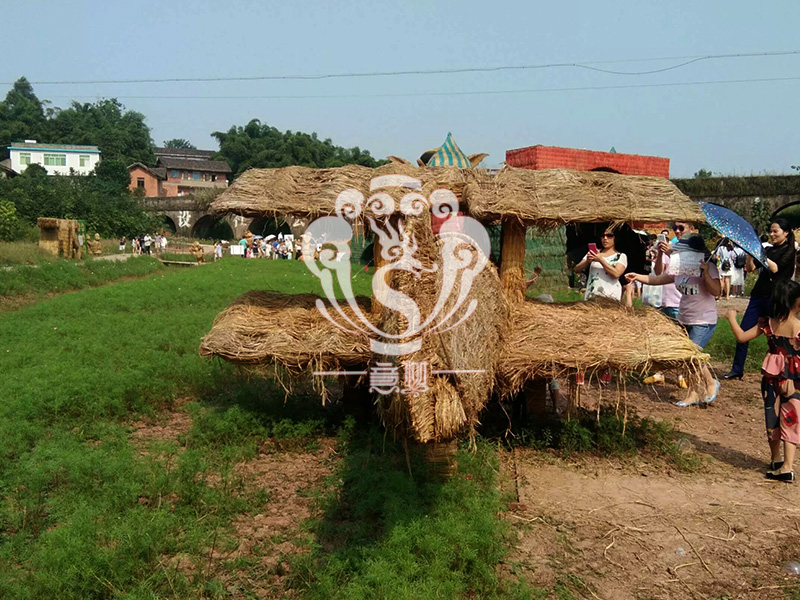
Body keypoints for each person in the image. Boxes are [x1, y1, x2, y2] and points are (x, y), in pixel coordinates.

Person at [627, 227, 721, 407]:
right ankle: (697, 391)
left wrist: (706, 274)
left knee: (691, 356)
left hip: (703, 321)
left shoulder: (709, 267)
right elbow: (658, 279)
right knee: (688, 357)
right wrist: (637, 276)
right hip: (685, 318)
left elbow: (717, 291)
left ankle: (707, 385)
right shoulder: (680, 268)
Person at [726, 279, 800, 482]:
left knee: (772, 418)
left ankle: (776, 459)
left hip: (771, 378)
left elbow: (742, 337)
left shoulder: (768, 324)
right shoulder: (798, 326)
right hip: (795, 380)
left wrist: (732, 318)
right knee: (791, 419)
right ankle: (787, 466)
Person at [724, 218, 797, 380]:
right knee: (744, 330)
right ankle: (737, 368)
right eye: (771, 231)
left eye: (775, 231)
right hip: (758, 296)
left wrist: (760, 253)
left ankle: (781, 368)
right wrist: (750, 254)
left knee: (777, 336)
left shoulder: (789, 251)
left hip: (776, 298)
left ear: (786, 233)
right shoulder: (768, 250)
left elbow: (775, 268)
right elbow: (750, 268)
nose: (772, 234)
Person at [573, 228, 628, 301]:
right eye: (602, 236)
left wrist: (601, 260)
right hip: (591, 294)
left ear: (615, 238)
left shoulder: (621, 256)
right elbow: (576, 269)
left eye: (609, 236)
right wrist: (587, 261)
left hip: (610, 296)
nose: (605, 238)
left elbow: (616, 274)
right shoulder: (594, 253)